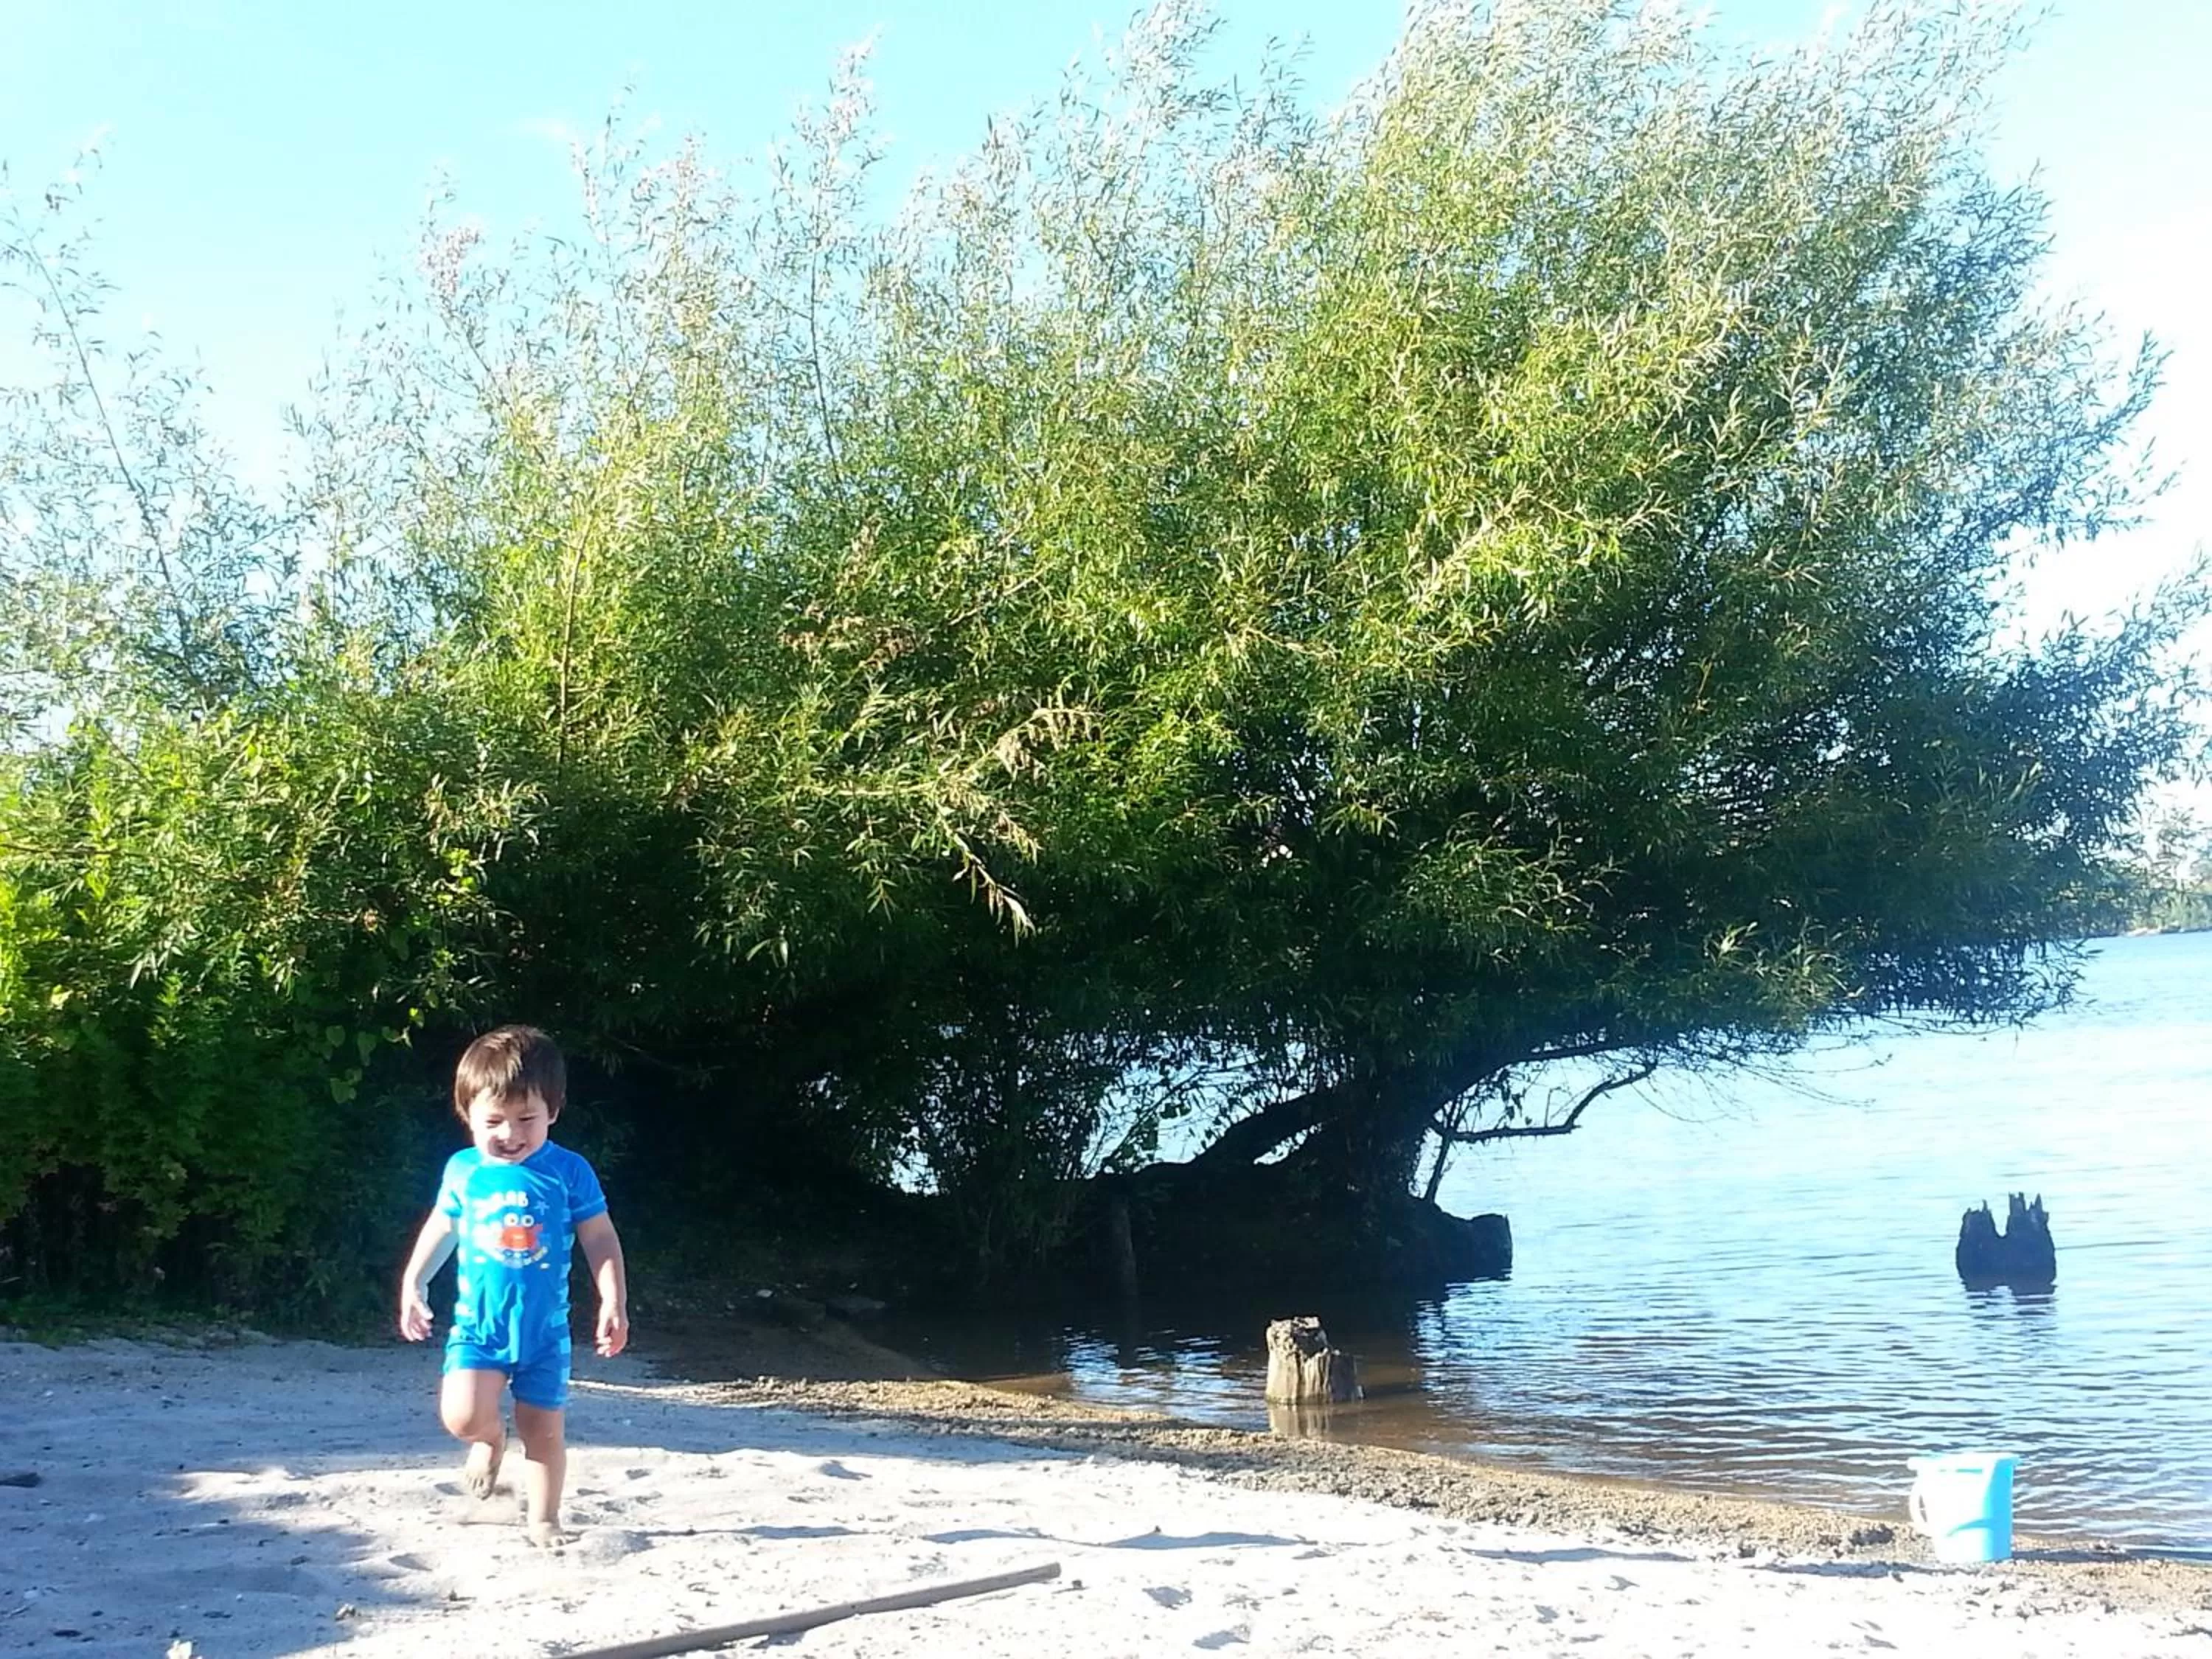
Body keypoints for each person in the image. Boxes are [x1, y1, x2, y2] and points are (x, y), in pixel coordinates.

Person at [397, 1024, 628, 1547]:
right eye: (494, 1121)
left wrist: (613, 1299)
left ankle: (544, 1519)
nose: (511, 1133)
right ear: (467, 1115)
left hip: (544, 1333)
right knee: (461, 1417)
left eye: (527, 1119)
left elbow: (600, 1238)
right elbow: (443, 1228)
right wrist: (415, 1282)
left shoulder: (569, 1171)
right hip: (478, 1326)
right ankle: (489, 1440)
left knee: (544, 1432)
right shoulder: (463, 1170)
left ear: (554, 1109)